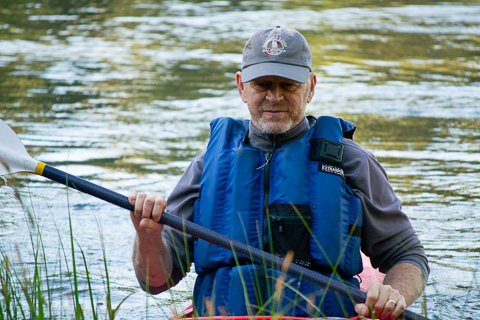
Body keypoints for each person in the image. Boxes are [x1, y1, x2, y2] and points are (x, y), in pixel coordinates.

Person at [129, 26, 429, 319]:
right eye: (262, 85)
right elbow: (155, 282)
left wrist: (394, 293)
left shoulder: (351, 162)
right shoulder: (205, 166)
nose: (274, 97)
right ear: (241, 87)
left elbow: (408, 256)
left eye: (288, 85)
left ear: (310, 87)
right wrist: (147, 237)